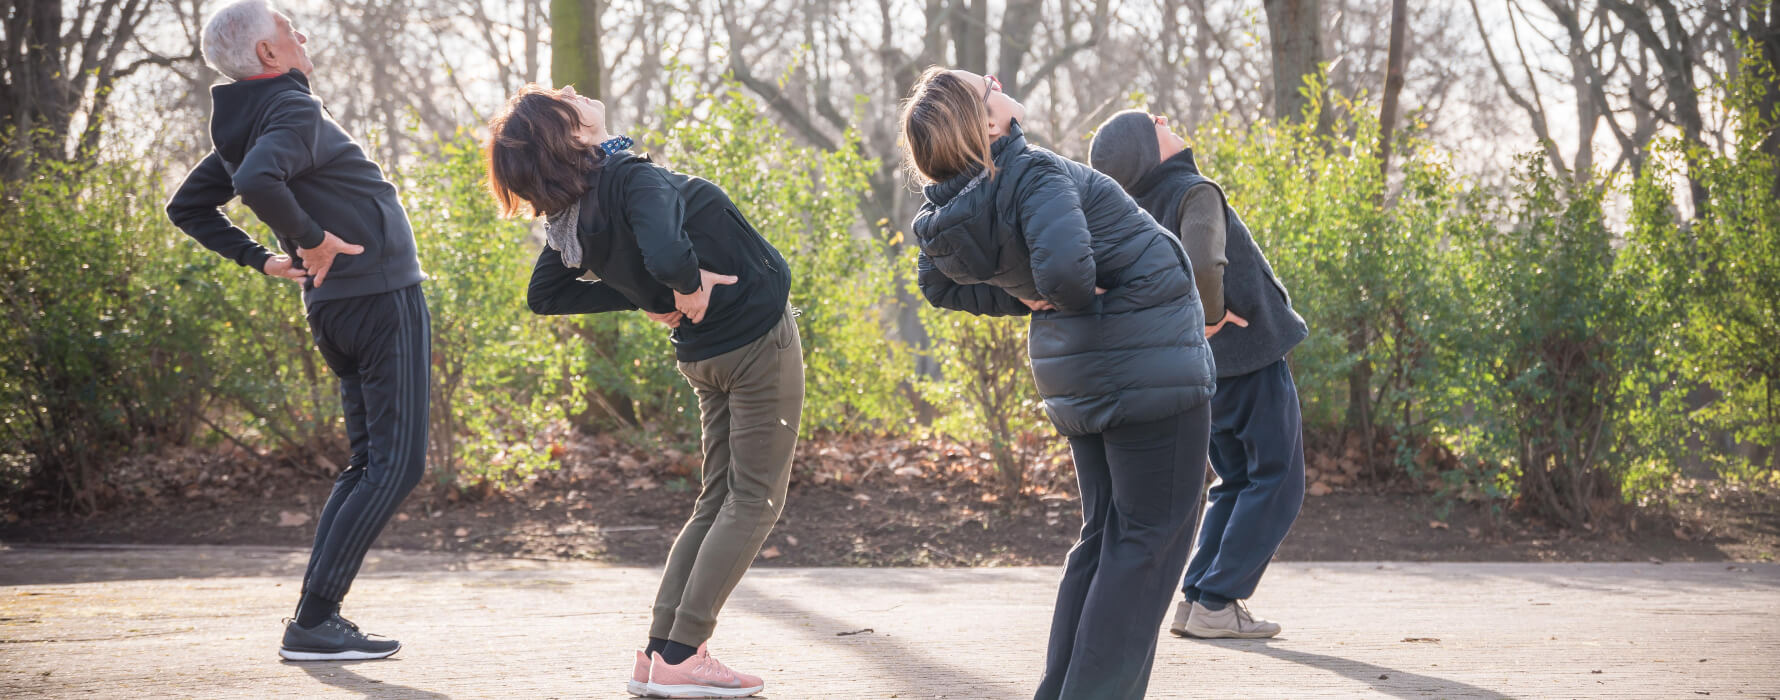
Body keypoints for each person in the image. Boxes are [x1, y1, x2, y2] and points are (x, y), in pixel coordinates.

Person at [899, 67, 1215, 700]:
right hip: (1145, 367)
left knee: (1104, 538)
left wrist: (1028, 301)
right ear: (989, 123)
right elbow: (1068, 272)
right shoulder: (1032, 172)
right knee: (1149, 541)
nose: (995, 80)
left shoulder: (951, 212)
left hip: (1084, 376)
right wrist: (1052, 293)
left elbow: (938, 287)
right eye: (986, 86)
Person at [485, 83, 801, 699]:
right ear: (570, 132)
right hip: (756, 342)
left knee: (718, 499)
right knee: (754, 500)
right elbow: (660, 247)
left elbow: (546, 294)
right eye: (563, 98)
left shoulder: (576, 209)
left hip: (707, 354)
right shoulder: (628, 175)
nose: (575, 90)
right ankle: (685, 654)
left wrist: (652, 297)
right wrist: (683, 285)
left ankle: (659, 654)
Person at [164, 0, 430, 661]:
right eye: (289, 28)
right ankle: (314, 621)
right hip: (379, 298)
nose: (301, 33)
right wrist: (311, 240)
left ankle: (316, 620)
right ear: (268, 56)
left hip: (335, 309)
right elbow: (256, 180)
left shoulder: (246, 122)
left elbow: (188, 205)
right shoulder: (290, 107)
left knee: (369, 463)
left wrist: (263, 258)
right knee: (396, 465)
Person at [1090, 110, 1310, 640]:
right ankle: (1217, 598)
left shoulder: (1135, 210)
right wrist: (1209, 318)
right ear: (1151, 150)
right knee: (1279, 477)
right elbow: (1205, 263)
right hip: (1249, 357)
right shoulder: (1193, 191)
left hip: (1201, 371)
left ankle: (1197, 599)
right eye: (1155, 123)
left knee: (1234, 478)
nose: (1165, 118)